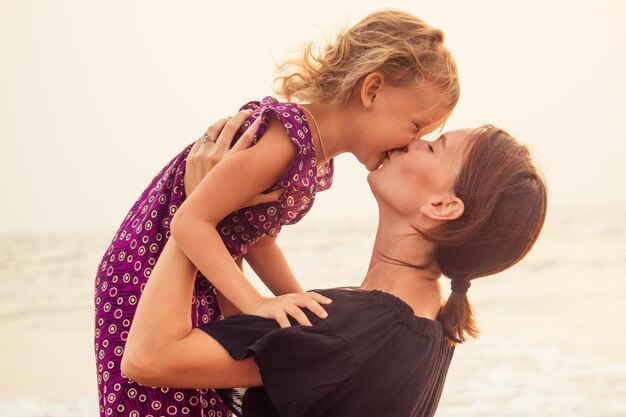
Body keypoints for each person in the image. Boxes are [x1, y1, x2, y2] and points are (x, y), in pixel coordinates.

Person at [94, 9, 460, 417]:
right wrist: (255, 304)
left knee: (204, 396)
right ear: (372, 90)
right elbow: (190, 221)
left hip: (197, 266)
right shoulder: (285, 137)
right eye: (415, 127)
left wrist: (306, 307)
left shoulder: (315, 159)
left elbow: (258, 242)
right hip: (144, 272)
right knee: (163, 404)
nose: (409, 145)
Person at [121, 120, 548, 417]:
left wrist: (198, 210)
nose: (414, 140)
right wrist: (226, 226)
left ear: (441, 206)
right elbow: (247, 344)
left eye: (434, 147)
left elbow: (148, 358)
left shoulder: (355, 328)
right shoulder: (426, 330)